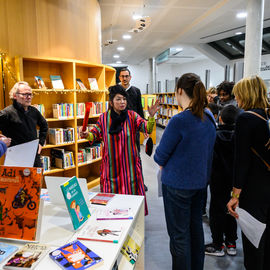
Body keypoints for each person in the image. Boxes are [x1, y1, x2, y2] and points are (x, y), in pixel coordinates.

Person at [154, 73, 216, 270]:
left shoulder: (179, 120)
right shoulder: (209, 117)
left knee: (179, 236)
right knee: (196, 231)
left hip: (177, 185)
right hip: (200, 184)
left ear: (180, 91)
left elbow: (160, 156)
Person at [80, 85, 159, 215]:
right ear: (111, 102)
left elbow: (147, 129)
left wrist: (150, 117)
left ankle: (134, 221)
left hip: (130, 168)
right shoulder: (104, 118)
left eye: (124, 99)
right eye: (118, 99)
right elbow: (94, 135)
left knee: (131, 198)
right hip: (111, 168)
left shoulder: (132, 116)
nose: (122, 102)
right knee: (112, 201)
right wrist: (86, 134)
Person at [227, 75, 270, 270]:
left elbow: (241, 160)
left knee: (254, 242)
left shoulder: (246, 118)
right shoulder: (266, 118)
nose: (237, 100)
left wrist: (235, 194)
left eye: (238, 95)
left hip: (253, 190)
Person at [205, 105, 240, 257]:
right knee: (232, 210)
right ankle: (232, 243)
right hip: (234, 181)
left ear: (219, 118)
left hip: (217, 179)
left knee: (216, 210)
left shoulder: (214, 135)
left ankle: (218, 244)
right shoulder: (240, 136)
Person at [0, 81, 48, 167]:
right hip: (16, 158)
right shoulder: (6, 113)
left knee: (37, 180)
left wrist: (41, 143)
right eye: (25, 94)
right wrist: (2, 140)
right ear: (15, 96)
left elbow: (44, 125)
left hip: (34, 156)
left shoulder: (34, 111)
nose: (29, 97)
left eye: (30, 94)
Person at [119, 68, 148, 191]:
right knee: (120, 156)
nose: (124, 78)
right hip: (119, 130)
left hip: (134, 129)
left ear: (130, 77)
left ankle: (140, 182)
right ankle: (123, 182)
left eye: (126, 76)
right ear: (119, 78)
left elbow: (140, 110)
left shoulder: (136, 91)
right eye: (122, 76)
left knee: (136, 155)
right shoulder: (116, 91)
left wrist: (144, 128)